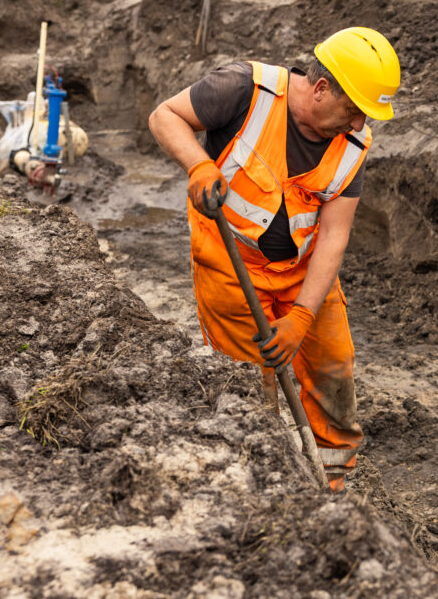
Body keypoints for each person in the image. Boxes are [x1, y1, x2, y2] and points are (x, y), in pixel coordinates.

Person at [148, 28, 401, 492]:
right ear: (321, 88)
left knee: (333, 370)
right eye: (353, 110)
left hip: (303, 272)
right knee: (251, 389)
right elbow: (164, 115)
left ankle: (332, 487)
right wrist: (199, 164)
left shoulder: (353, 145)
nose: (357, 124)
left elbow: (334, 235)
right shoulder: (245, 89)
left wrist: (302, 315)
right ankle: (271, 487)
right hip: (230, 267)